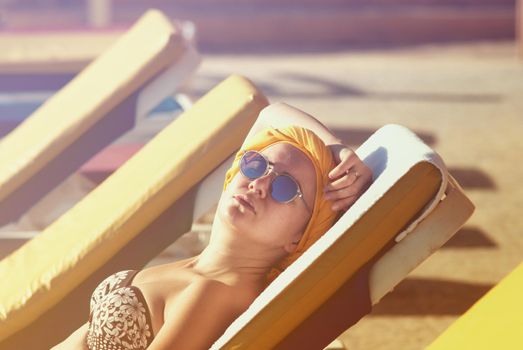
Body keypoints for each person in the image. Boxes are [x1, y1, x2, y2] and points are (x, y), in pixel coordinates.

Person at [52, 102, 373, 350]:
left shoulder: (215, 291)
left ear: (297, 239)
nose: (259, 184)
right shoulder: (208, 273)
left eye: (285, 188)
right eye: (256, 164)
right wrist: (336, 148)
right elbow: (270, 115)